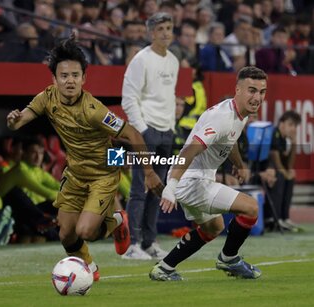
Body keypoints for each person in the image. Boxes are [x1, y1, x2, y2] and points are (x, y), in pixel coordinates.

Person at [6, 35, 163, 281]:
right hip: (75, 175)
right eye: (64, 76)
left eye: (75, 75)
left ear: (83, 78)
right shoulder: (46, 98)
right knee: (66, 235)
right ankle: (89, 267)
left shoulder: (94, 111)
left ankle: (115, 220)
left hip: (102, 175)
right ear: (55, 79)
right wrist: (14, 121)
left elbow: (132, 134)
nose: (70, 81)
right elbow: (20, 121)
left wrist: (150, 173)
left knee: (86, 231)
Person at [149, 66, 267, 281]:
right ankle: (229, 258)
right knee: (251, 208)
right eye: (252, 90)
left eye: (261, 92)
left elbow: (229, 140)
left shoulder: (240, 114)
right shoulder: (221, 118)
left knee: (214, 227)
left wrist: (239, 164)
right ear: (238, 90)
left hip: (197, 179)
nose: (257, 97)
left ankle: (164, 268)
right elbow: (189, 150)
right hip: (191, 181)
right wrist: (171, 186)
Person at [121, 12, 179, 260]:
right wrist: (142, 130)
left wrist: (171, 126)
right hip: (146, 132)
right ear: (151, 32)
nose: (166, 32)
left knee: (159, 189)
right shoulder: (141, 60)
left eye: (169, 27)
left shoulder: (174, 61)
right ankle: (131, 245)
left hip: (167, 132)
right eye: (161, 28)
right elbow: (128, 98)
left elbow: (169, 99)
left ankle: (149, 242)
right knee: (138, 189)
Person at [264, 110, 301, 231]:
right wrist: (285, 172)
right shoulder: (274, 133)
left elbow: (288, 165)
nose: (293, 128)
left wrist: (294, 143)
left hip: (274, 170)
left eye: (295, 126)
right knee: (280, 174)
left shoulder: (284, 140)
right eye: (290, 124)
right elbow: (275, 159)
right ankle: (274, 218)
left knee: (290, 174)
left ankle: (285, 217)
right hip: (261, 169)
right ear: (282, 123)